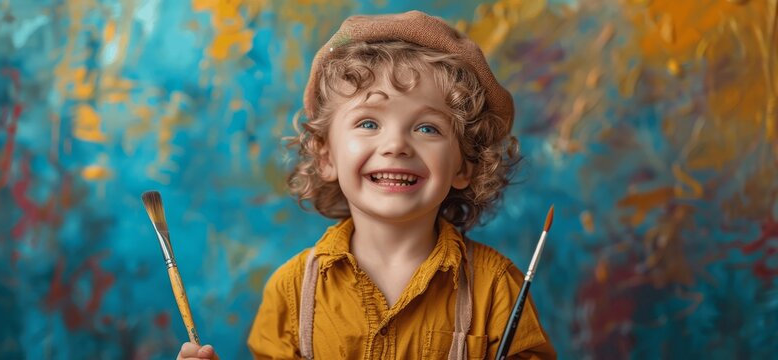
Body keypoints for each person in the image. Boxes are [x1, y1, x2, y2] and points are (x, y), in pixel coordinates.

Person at [177, 10, 555, 360]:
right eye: (369, 123)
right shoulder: (291, 291)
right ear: (326, 155)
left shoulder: (496, 287)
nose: (396, 145)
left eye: (428, 128)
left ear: (465, 165)